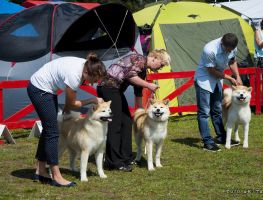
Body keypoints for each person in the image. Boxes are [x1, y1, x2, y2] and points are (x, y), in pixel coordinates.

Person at [27, 53, 106, 187]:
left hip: (48, 90)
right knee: (52, 132)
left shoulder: (86, 65)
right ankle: (56, 176)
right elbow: (70, 105)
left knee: (48, 130)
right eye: (95, 78)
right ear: (87, 72)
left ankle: (40, 171)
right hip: (39, 89)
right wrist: (92, 100)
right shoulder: (74, 76)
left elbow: (67, 109)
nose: (96, 82)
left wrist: (66, 117)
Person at [97, 49, 171, 172]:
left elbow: (138, 91)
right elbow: (131, 77)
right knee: (115, 125)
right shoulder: (139, 59)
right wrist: (148, 85)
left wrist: (141, 110)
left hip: (116, 90)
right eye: (161, 65)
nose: (160, 68)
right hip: (108, 88)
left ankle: (126, 157)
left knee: (127, 122)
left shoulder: (143, 70)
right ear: (155, 58)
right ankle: (113, 162)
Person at [194, 33, 242, 152]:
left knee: (217, 110)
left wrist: (237, 76)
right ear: (222, 43)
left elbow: (232, 61)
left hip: (217, 80)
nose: (229, 51)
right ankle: (207, 142)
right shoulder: (209, 50)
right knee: (204, 112)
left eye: (231, 49)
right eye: (227, 49)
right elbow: (211, 70)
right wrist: (230, 78)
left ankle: (222, 137)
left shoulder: (232, 46)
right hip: (204, 79)